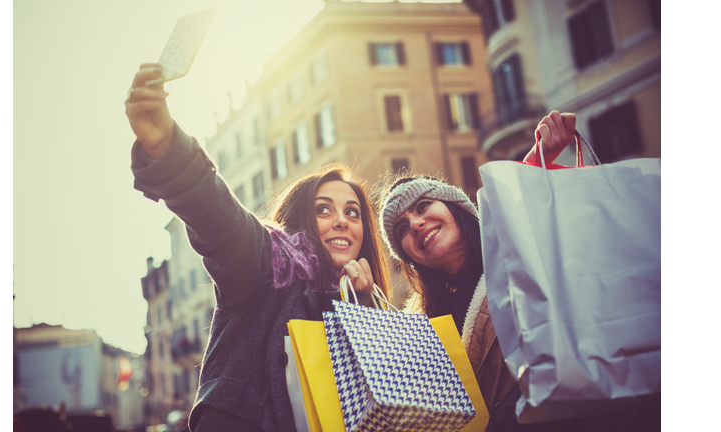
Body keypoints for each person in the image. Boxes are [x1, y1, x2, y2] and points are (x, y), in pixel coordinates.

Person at [125, 63, 391, 432]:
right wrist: (167, 146)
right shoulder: (269, 264)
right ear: (301, 219)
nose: (342, 220)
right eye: (324, 209)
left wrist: (364, 311)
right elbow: (222, 222)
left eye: (353, 212)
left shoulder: (369, 298)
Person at [375, 111, 660, 431]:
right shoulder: (421, 327)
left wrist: (533, 165)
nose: (415, 224)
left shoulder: (523, 244)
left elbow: (535, 224)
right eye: (401, 229)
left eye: (423, 206)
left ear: (455, 208)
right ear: (409, 258)